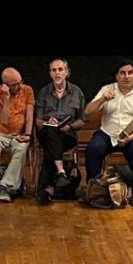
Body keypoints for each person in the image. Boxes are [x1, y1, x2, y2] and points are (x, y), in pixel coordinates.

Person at [84, 62, 133, 208]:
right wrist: (102, 99)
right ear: (116, 76)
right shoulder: (107, 89)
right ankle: (94, 190)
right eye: (122, 73)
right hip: (108, 133)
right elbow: (88, 111)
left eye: (130, 73)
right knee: (93, 149)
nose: (126, 76)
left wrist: (130, 138)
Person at [0, 67, 36, 203]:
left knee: (21, 147)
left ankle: (5, 187)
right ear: (6, 85)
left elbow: (29, 116)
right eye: (15, 84)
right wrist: (7, 98)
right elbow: (3, 119)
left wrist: (27, 134)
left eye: (20, 82)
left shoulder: (27, 90)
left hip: (18, 134)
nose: (19, 86)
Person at [33, 59, 87, 205]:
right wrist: (48, 121)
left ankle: (47, 187)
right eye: (54, 70)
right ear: (50, 73)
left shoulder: (77, 92)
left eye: (60, 69)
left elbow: (82, 120)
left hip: (68, 134)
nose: (57, 73)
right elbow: (38, 121)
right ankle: (60, 173)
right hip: (45, 132)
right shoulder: (44, 92)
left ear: (67, 72)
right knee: (52, 132)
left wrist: (70, 126)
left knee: (52, 144)